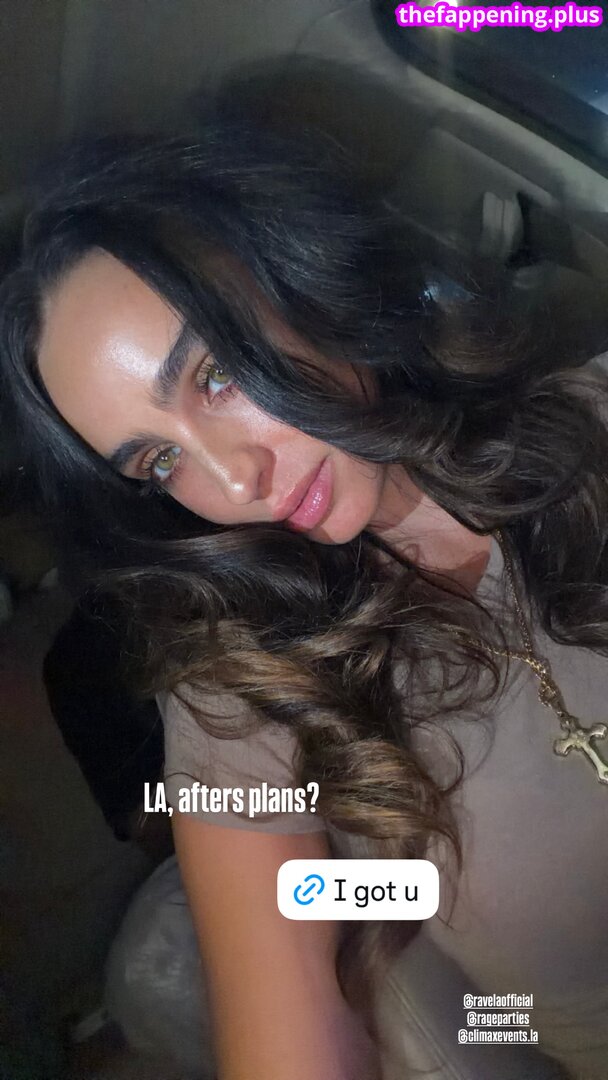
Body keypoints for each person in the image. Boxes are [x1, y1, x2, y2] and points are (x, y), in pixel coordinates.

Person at [1, 115, 607, 1080]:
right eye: (160, 463)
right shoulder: (239, 686)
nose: (231, 481)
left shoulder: (590, 424)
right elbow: (284, 1040)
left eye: (216, 375)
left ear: (295, 274)